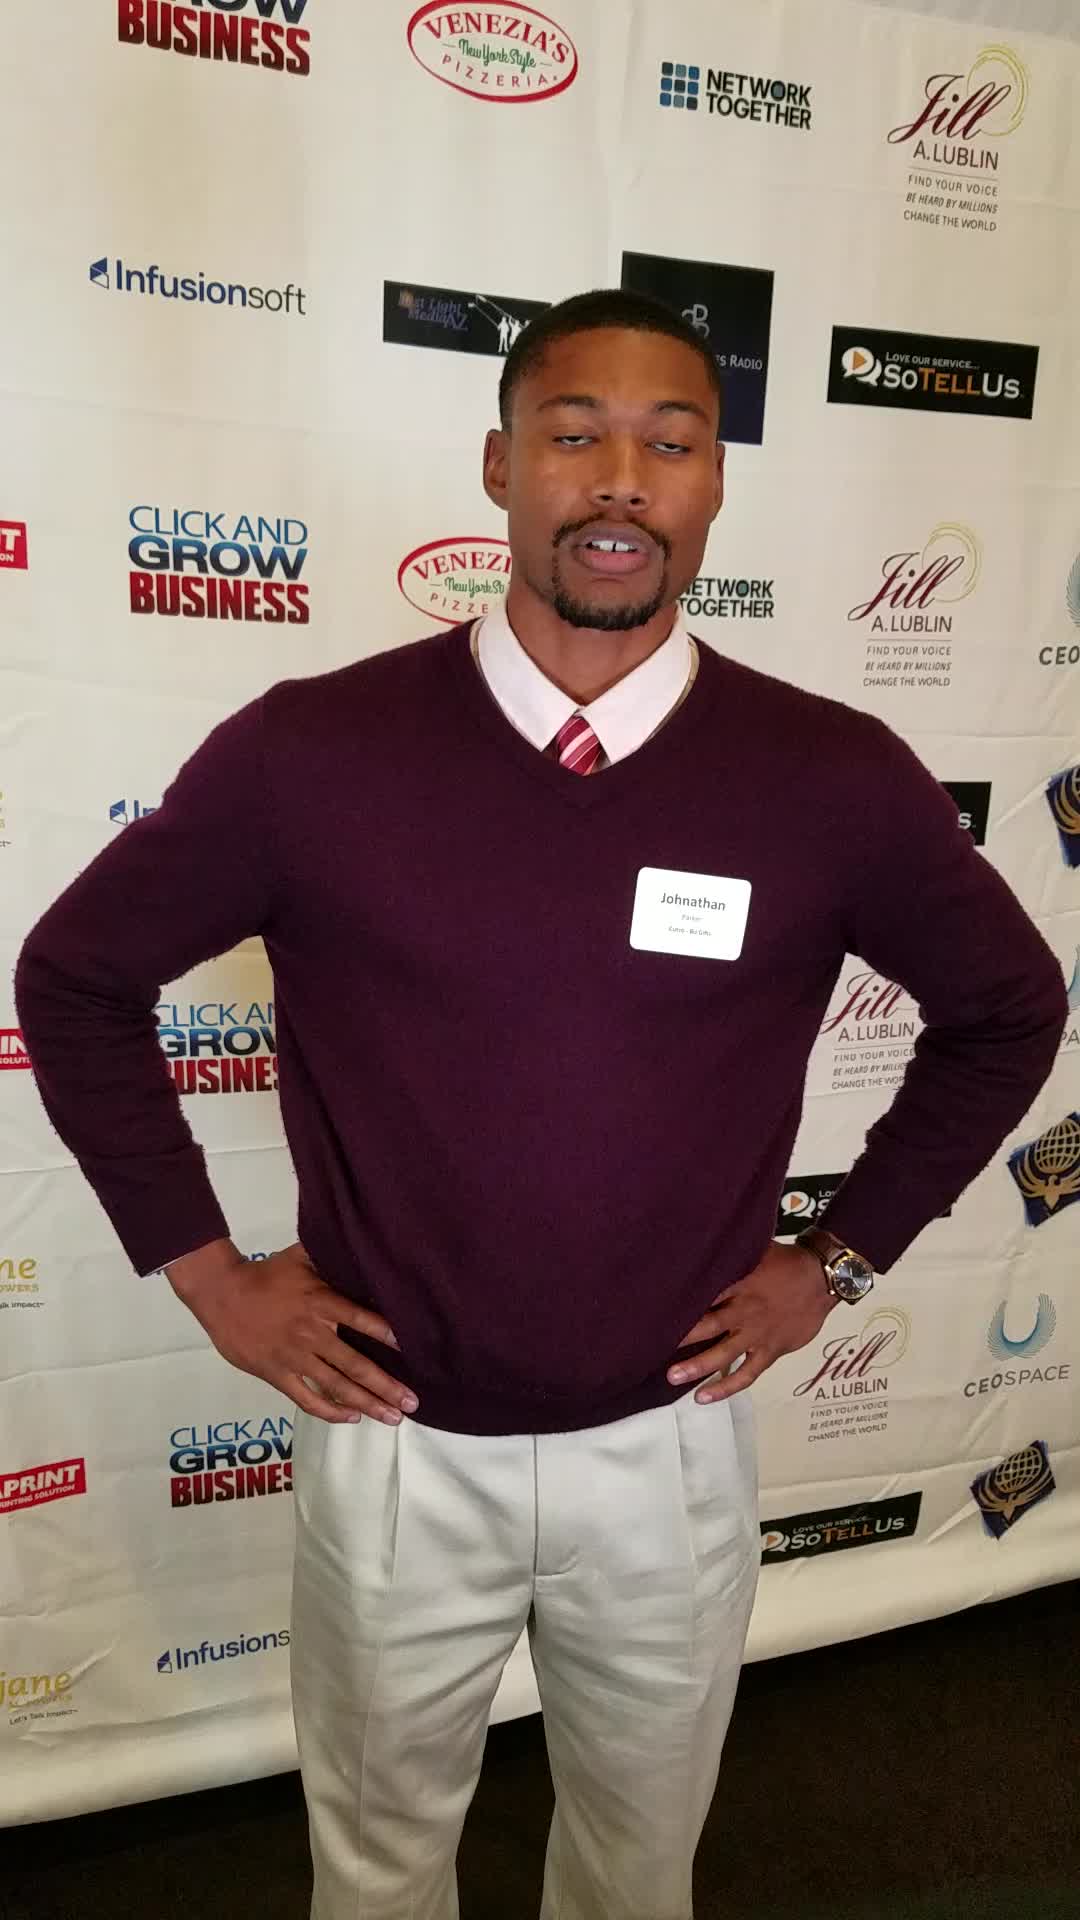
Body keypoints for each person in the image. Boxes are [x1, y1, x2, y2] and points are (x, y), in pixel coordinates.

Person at [15, 287, 1068, 1920]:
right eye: (575, 436)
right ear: (501, 466)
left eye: (672, 442)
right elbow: (76, 978)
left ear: (717, 482)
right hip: (393, 1442)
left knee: (638, 1870)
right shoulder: (314, 752)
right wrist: (209, 1274)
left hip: (671, 1443)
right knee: (376, 1866)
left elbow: (1010, 1012)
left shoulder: (830, 774)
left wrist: (837, 1261)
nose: (621, 480)